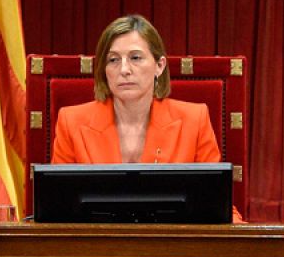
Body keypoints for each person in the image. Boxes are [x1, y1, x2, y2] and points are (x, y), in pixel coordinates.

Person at [51, 14, 242, 221]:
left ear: (159, 66)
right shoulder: (71, 122)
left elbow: (217, 208)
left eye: (135, 57)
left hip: (172, 247)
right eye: (113, 60)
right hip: (98, 247)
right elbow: (58, 211)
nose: (124, 70)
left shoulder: (194, 120)